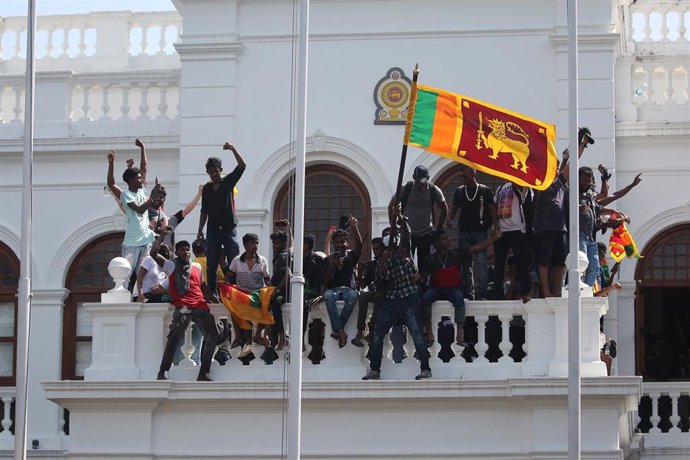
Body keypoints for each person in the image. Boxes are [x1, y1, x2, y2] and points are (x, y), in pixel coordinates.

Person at [363, 208, 431, 381]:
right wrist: (383, 263)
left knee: (416, 332)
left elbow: (407, 233)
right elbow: (380, 281)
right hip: (393, 298)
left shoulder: (404, 250)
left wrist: (400, 218)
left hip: (409, 296)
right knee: (378, 333)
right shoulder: (382, 260)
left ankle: (425, 368)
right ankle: (375, 370)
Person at [151, 230, 219, 382]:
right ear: (176, 252)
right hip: (183, 307)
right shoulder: (170, 266)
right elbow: (153, 254)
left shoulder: (197, 267)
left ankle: (203, 373)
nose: (186, 252)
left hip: (200, 305)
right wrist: (161, 237)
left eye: (188, 250)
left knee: (212, 336)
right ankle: (162, 372)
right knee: (174, 337)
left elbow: (203, 287)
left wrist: (216, 301)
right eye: (182, 250)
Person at [420, 229, 500, 346]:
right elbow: (424, 278)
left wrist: (494, 238)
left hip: (453, 289)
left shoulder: (455, 253)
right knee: (425, 298)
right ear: (437, 243)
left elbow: (477, 247)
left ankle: (460, 334)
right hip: (437, 289)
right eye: (445, 239)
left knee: (459, 299)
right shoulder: (430, 259)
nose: (448, 240)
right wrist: (418, 279)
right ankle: (429, 332)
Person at [106, 139, 161, 287]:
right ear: (130, 180)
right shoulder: (126, 195)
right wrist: (111, 164)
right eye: (138, 178)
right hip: (131, 243)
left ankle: (144, 297)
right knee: (125, 275)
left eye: (141, 177)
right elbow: (140, 209)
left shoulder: (142, 189)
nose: (141, 179)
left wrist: (142, 148)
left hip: (146, 240)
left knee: (148, 274)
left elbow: (144, 167)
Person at [197, 142, 247, 295]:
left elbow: (242, 166)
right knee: (211, 263)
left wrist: (233, 149)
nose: (214, 174)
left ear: (221, 170)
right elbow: (204, 211)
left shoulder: (228, 182)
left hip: (228, 229)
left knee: (235, 258)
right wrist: (200, 230)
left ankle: (235, 290)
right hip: (212, 231)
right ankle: (212, 293)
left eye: (216, 171)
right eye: (211, 172)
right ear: (208, 172)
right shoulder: (206, 188)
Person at [446, 164, 496, 300]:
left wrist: (496, 227)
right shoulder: (459, 191)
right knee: (466, 265)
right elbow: (454, 209)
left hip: (480, 231)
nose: (462, 178)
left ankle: (482, 294)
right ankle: (470, 293)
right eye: (461, 176)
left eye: (464, 176)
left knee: (481, 264)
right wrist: (449, 219)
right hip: (464, 232)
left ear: (473, 174)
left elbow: (492, 210)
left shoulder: (485, 191)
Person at [388, 165, 447, 267]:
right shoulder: (405, 189)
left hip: (426, 234)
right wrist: (393, 228)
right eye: (417, 180)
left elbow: (444, 209)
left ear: (428, 178)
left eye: (423, 180)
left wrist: (437, 231)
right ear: (413, 177)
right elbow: (391, 207)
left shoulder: (434, 190)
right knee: (405, 264)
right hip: (406, 234)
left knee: (424, 266)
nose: (420, 183)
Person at [225, 233, 272, 348]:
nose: (255, 246)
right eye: (252, 243)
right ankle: (238, 337)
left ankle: (257, 335)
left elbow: (267, 279)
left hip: (257, 294)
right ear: (245, 245)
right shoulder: (236, 261)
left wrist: (272, 289)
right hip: (242, 294)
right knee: (232, 309)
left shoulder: (262, 260)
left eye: (257, 243)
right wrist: (223, 286)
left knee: (266, 306)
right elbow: (229, 276)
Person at [322, 215, 362, 348]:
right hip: (333, 290)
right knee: (328, 296)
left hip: (348, 289)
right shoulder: (328, 259)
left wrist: (354, 228)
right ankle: (341, 331)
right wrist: (332, 268)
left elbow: (360, 245)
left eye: (342, 242)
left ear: (347, 243)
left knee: (353, 296)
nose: (340, 245)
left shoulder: (351, 256)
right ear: (334, 244)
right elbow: (326, 282)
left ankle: (338, 330)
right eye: (337, 243)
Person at [492, 181, 533, 303]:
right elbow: (494, 206)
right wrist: (495, 225)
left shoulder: (522, 184)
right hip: (502, 231)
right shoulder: (501, 188)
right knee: (498, 264)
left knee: (522, 263)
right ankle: (497, 294)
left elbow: (523, 193)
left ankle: (525, 292)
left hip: (517, 229)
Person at [352, 237, 386, 347]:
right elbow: (363, 285)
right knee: (364, 296)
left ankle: (371, 331)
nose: (376, 252)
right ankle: (360, 330)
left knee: (378, 297)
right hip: (377, 292)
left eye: (378, 249)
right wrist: (360, 272)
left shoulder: (390, 262)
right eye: (374, 249)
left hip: (388, 292)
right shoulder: (372, 264)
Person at [269, 229, 292, 351]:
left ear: (284, 244)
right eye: (273, 243)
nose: (274, 246)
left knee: (275, 301)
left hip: (284, 293)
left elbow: (288, 275)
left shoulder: (283, 256)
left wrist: (276, 290)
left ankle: (282, 336)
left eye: (276, 243)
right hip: (281, 289)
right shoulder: (282, 255)